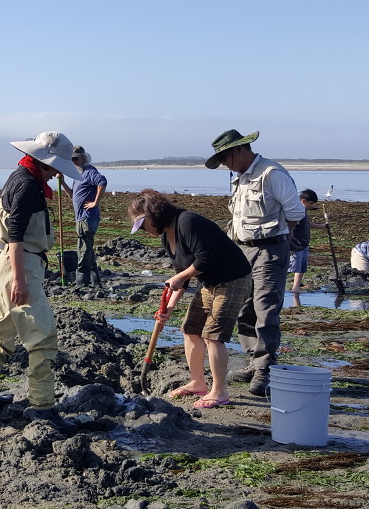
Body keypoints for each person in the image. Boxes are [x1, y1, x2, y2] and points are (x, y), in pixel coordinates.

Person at [0, 131, 83, 434]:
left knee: (3, 327)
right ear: (50, 163)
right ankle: (43, 407)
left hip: (5, 261)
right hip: (20, 263)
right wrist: (20, 281)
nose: (61, 172)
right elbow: (17, 236)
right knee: (42, 335)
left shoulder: (20, 175)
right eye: (60, 166)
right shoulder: (28, 186)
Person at [128, 189, 252, 408]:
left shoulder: (187, 222)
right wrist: (169, 307)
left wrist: (179, 276)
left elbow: (204, 259)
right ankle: (197, 382)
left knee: (213, 335)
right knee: (190, 330)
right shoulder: (166, 237)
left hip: (233, 279)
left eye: (143, 224)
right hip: (210, 283)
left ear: (152, 215)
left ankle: (220, 391)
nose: (144, 231)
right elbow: (183, 279)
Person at [205, 129, 302, 396]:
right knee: (243, 308)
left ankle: (265, 368)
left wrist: (284, 236)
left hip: (270, 250)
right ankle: (254, 358)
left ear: (239, 150)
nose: (224, 164)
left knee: (265, 309)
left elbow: (295, 212)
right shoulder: (240, 178)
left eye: (225, 158)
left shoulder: (271, 174)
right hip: (241, 251)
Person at [58, 145, 107, 287]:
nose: (73, 161)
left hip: (88, 217)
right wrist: (62, 183)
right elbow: (73, 195)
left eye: (75, 158)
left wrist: (95, 203)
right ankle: (96, 281)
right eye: (71, 159)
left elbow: (102, 182)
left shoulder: (90, 171)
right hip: (81, 218)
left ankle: (82, 283)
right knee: (87, 249)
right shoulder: (79, 175)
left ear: (83, 157)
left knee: (83, 250)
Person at [288, 189, 328, 293]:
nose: (312, 206)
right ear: (303, 201)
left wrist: (323, 226)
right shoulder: (297, 211)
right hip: (295, 245)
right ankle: (280, 285)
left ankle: (296, 287)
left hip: (304, 244)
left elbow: (308, 224)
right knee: (292, 266)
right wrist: (290, 243)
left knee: (301, 267)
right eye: (310, 203)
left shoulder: (304, 212)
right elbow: (290, 227)